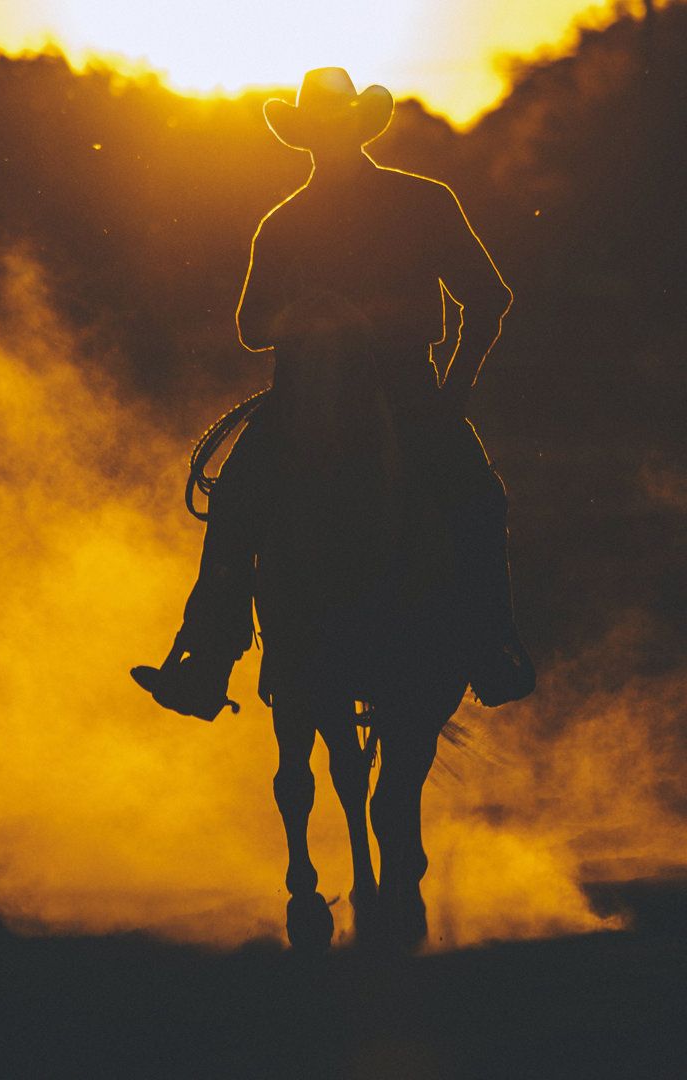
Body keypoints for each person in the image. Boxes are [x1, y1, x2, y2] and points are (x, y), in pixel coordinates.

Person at [132, 68, 535, 720]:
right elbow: (252, 327)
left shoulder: (407, 205)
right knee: (237, 499)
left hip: (390, 395)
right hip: (322, 399)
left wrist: (453, 394)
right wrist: (314, 319)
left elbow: (489, 300)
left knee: (476, 500)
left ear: (353, 129)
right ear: (310, 137)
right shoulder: (295, 221)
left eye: (334, 125)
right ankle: (207, 657)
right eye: (318, 127)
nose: (328, 138)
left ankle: (490, 639)